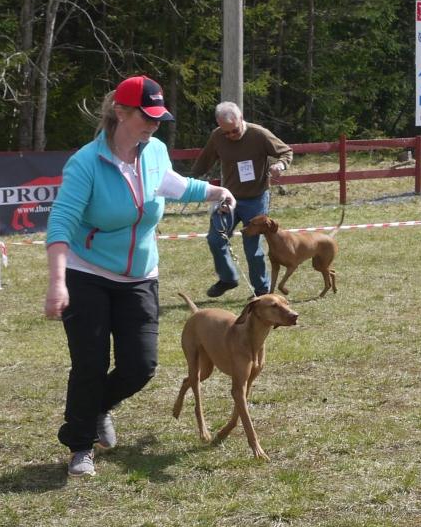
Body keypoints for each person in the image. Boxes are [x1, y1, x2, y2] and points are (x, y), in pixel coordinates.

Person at [44, 75, 236, 478]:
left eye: (157, 117)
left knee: (141, 366)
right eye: (146, 116)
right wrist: (58, 282)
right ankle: (80, 446)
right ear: (120, 112)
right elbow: (61, 221)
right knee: (90, 364)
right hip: (87, 273)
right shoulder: (85, 164)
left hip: (139, 275)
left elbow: (171, 184)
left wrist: (215, 191)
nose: (153, 124)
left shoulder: (155, 152)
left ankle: (98, 408)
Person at [190, 102, 293, 297]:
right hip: (229, 198)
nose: (230, 136)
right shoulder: (217, 136)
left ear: (241, 118)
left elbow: (286, 152)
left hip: (256, 199)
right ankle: (228, 278)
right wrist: (186, 182)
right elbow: (204, 162)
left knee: (252, 248)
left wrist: (280, 165)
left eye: (234, 131)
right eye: (226, 132)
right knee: (215, 238)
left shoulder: (259, 134)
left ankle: (262, 291)